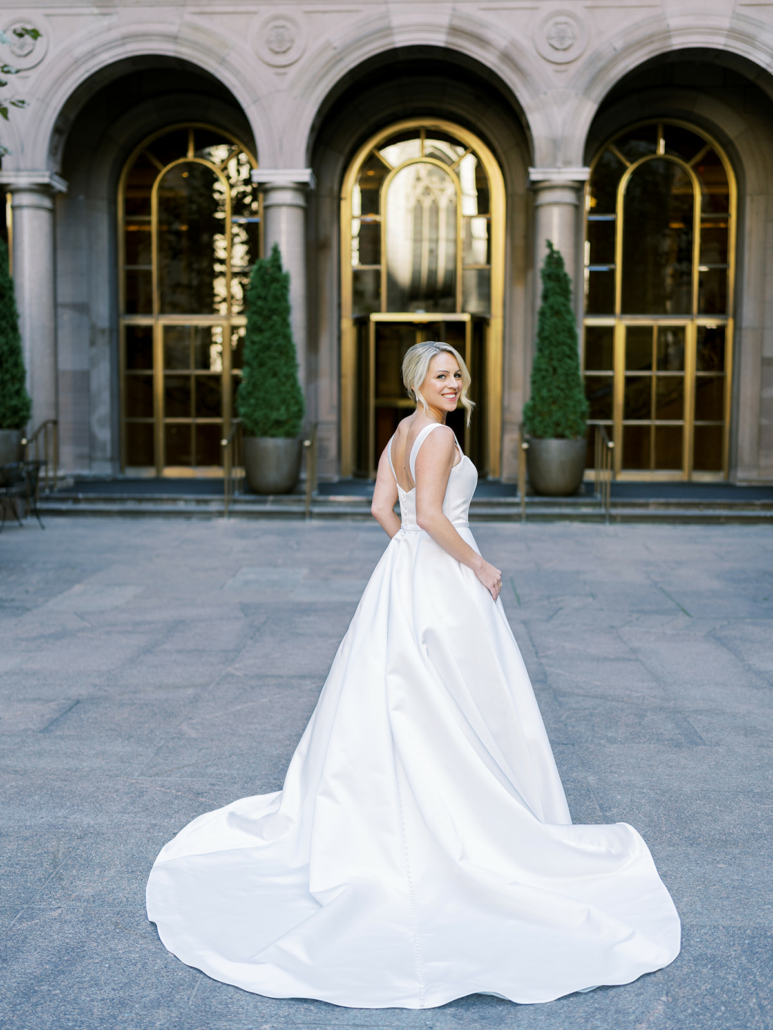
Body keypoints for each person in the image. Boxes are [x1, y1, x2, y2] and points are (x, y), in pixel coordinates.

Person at [146, 341, 680, 1009]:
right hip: (443, 578)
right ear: (417, 382)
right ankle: (463, 819)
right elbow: (428, 516)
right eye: (440, 375)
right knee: (456, 698)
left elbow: (383, 511)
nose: (452, 383)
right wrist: (476, 567)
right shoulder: (438, 441)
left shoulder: (400, 432)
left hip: (403, 575)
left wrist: (408, 555)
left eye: (457, 373)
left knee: (400, 695)